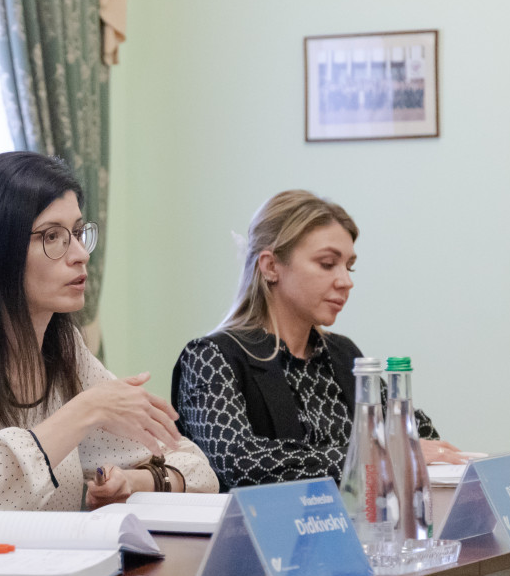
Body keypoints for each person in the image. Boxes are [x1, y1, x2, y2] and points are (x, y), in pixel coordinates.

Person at [0, 152, 217, 510]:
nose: (80, 255)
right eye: (52, 236)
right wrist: (84, 411)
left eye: (77, 233)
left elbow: (199, 471)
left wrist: (136, 482)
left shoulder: (64, 352)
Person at [171, 190, 464, 489]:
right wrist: (378, 457)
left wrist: (396, 452)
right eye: (327, 263)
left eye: (349, 266)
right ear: (270, 266)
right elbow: (241, 464)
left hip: (357, 519)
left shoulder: (343, 353)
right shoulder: (209, 358)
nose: (346, 281)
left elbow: (419, 437)